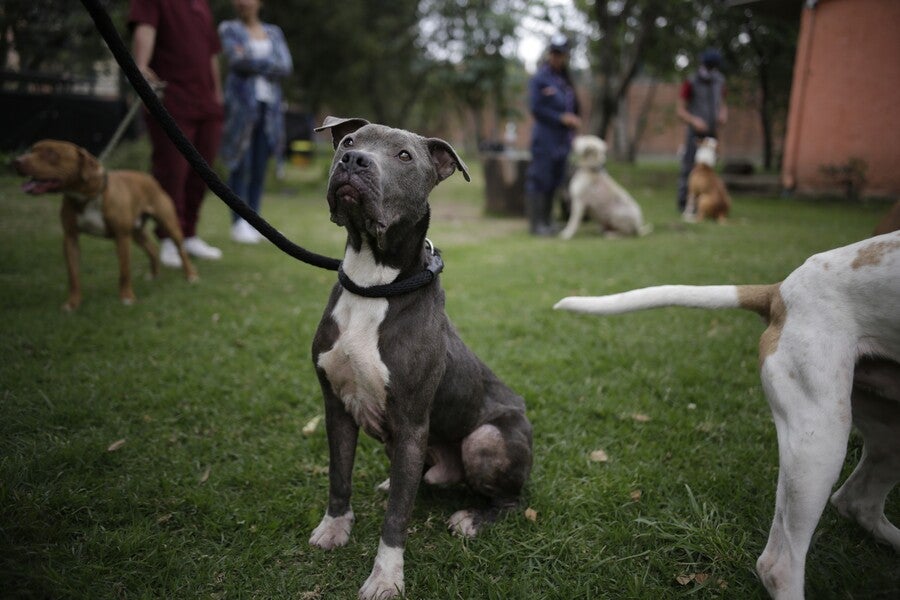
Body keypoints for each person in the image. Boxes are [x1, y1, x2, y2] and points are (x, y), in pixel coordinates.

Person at [129, 0, 225, 267]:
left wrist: (217, 96)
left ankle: (189, 233)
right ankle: (170, 238)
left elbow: (211, 53)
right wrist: (140, 67)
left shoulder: (201, 4)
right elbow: (145, 28)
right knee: (172, 171)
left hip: (205, 102)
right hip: (171, 98)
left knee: (203, 171)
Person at [218, 0, 293, 244]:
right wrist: (269, 64)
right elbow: (236, 61)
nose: (243, 3)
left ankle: (255, 222)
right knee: (241, 165)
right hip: (241, 110)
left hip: (269, 110)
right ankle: (238, 223)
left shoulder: (274, 32)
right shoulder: (229, 29)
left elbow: (286, 66)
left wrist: (252, 61)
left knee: (259, 166)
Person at [524, 34, 581, 236]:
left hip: (563, 140)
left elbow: (573, 105)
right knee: (541, 178)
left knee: (556, 179)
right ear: (549, 54)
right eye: (554, 53)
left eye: (561, 54)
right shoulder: (540, 78)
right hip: (545, 138)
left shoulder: (565, 79)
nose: (557, 57)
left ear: (566, 56)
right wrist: (561, 118)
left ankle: (548, 221)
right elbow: (536, 108)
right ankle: (537, 224)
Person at [676, 47, 728, 213]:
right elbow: (680, 110)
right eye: (710, 66)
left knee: (711, 170)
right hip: (695, 133)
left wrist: (723, 114)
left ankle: (707, 204)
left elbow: (723, 104)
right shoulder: (691, 81)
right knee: (689, 168)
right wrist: (694, 121)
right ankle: (684, 204)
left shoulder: (720, 81)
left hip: (712, 132)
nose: (712, 70)